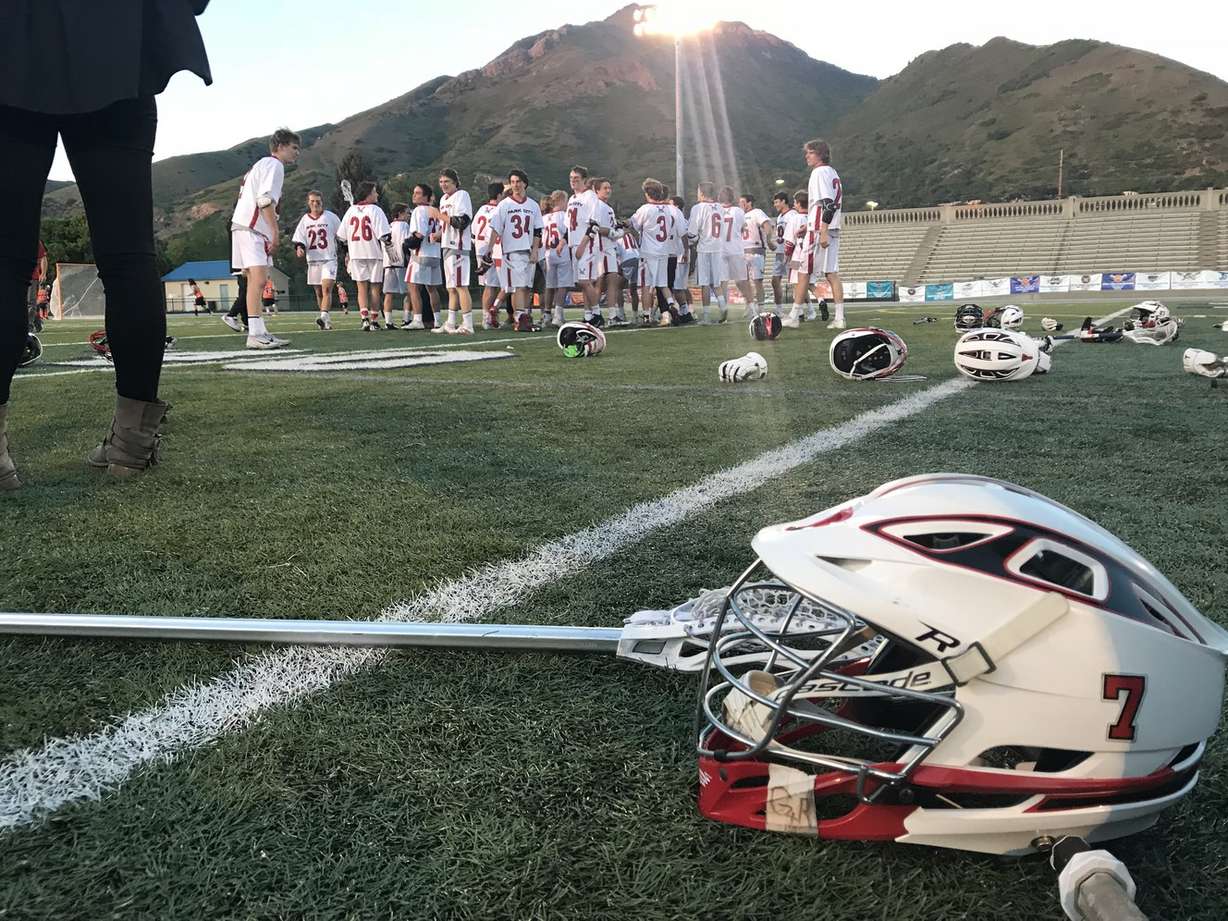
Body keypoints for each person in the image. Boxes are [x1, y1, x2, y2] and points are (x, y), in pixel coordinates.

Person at [1, 0, 212, 488]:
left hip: (10, 42)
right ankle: (131, 445)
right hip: (117, 47)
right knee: (129, 255)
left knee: (4, 260)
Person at [231, 128, 300, 347]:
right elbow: (264, 200)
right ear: (280, 146)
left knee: (255, 280)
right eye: (294, 147)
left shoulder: (262, 164)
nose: (297, 153)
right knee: (259, 280)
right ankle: (255, 334)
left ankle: (258, 331)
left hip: (244, 225)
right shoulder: (274, 165)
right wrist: (275, 232)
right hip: (252, 227)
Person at [480, 169, 542, 333]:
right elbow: (495, 228)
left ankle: (520, 317)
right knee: (519, 287)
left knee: (522, 287)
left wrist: (535, 250)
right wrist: (489, 249)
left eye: (518, 181)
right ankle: (520, 318)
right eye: (513, 182)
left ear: (525, 183)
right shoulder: (505, 204)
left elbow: (537, 231)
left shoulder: (533, 205)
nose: (516, 185)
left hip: (528, 250)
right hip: (512, 250)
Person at [799, 139, 845, 329]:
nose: (806, 156)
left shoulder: (819, 172)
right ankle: (840, 318)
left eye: (810, 152)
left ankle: (795, 313)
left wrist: (823, 230)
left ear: (819, 153)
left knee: (803, 271)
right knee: (831, 273)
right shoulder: (832, 172)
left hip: (821, 227)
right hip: (833, 225)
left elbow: (828, 203)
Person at [337, 180, 391, 331]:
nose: (377, 194)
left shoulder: (351, 211)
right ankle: (374, 320)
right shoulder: (375, 210)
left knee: (361, 288)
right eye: (374, 191)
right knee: (375, 288)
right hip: (373, 252)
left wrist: (347, 253)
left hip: (356, 253)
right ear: (368, 194)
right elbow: (385, 236)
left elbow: (341, 237)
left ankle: (364, 319)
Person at [291, 189, 341, 330]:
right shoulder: (305, 220)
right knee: (319, 292)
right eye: (312, 201)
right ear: (308, 202)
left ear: (322, 201)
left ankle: (323, 316)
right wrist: (299, 248)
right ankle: (325, 319)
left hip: (329, 258)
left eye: (317, 201)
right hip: (313, 260)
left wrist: (347, 251)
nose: (315, 203)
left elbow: (342, 235)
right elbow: (299, 239)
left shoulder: (331, 217)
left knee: (326, 289)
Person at [436, 169, 473, 334]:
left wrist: (438, 216)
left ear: (455, 182)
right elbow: (447, 223)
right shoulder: (443, 199)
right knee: (451, 287)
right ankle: (451, 322)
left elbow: (462, 221)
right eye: (441, 182)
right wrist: (438, 234)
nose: (443, 185)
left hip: (458, 246)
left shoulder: (462, 195)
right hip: (446, 245)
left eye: (447, 182)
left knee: (460, 285)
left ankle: (468, 324)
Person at [687, 181, 727, 323]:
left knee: (704, 282)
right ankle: (723, 306)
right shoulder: (720, 208)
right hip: (718, 248)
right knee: (716, 282)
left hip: (705, 248)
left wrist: (693, 239)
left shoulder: (698, 208)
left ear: (702, 193)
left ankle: (706, 316)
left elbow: (692, 233)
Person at [406, 185, 443, 330]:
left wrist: (408, 243)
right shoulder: (435, 210)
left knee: (413, 287)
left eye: (418, 193)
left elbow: (419, 234)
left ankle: (418, 319)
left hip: (421, 254)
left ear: (426, 196)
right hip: (435, 254)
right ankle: (438, 320)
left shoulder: (418, 210)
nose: (414, 195)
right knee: (432, 290)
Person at [472, 182, 505, 329]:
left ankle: (488, 316)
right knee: (492, 286)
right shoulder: (499, 210)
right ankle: (487, 318)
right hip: (491, 250)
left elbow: (473, 232)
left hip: (479, 248)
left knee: (488, 285)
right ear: (499, 195)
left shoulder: (481, 209)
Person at [739, 194, 775, 314]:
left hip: (756, 251)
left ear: (749, 203)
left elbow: (767, 225)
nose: (740, 204)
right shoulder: (740, 215)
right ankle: (749, 304)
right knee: (742, 281)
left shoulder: (756, 212)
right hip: (742, 252)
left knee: (757, 281)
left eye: (743, 202)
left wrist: (769, 240)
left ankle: (760, 308)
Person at [769, 191, 792, 312]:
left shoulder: (792, 214)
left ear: (784, 201)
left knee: (796, 281)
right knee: (775, 280)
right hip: (780, 253)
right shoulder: (780, 216)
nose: (775, 205)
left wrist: (790, 251)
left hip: (790, 253)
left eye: (777, 202)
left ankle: (808, 309)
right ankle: (779, 309)